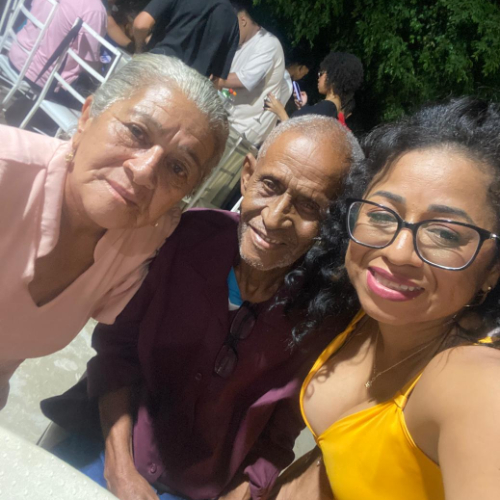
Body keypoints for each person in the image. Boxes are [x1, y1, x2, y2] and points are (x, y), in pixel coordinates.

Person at [44, 116, 363, 500]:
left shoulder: (322, 318)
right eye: (270, 185)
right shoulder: (184, 237)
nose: (274, 217)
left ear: (332, 223)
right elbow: (117, 353)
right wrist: (120, 469)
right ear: (247, 175)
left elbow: (278, 437)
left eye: (309, 206)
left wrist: (241, 493)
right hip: (103, 441)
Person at [284, 97, 500, 499]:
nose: (398, 253)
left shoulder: (475, 384)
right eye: (383, 215)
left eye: (445, 234)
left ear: (492, 270)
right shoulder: (364, 314)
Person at [0, 54, 228, 410]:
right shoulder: (7, 173)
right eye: (136, 132)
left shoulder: (142, 241)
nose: (145, 172)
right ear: (87, 117)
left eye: (177, 167)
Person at [8, 0, 107, 110]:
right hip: (44, 79)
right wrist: (102, 71)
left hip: (16, 55)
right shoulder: (94, 10)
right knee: (97, 100)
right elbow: (88, 63)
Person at [217, 2, 286, 144]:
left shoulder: (268, 43)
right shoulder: (239, 45)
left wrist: (213, 79)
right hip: (228, 121)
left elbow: (245, 80)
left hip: (247, 131)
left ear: (243, 21)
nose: (228, 31)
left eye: (230, 26)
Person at [132, 0, 239, 80]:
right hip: (188, 90)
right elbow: (217, 80)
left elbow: (140, 25)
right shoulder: (233, 20)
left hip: (154, 69)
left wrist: (140, 48)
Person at [265, 52, 363, 124]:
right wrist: (303, 106)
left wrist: (280, 111)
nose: (318, 78)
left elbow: (297, 136)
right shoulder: (331, 110)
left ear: (332, 78)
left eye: (321, 74)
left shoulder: (325, 109)